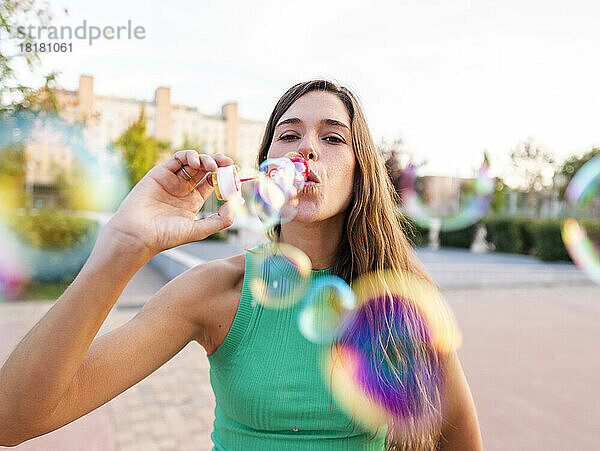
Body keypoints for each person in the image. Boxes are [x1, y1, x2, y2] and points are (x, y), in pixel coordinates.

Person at [0, 80, 483, 450]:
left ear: (362, 172)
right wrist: (122, 247)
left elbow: (461, 442)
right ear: (266, 167)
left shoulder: (401, 296)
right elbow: (14, 418)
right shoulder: (218, 291)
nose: (306, 148)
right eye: (289, 134)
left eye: (333, 138)